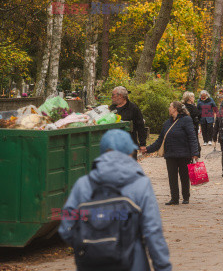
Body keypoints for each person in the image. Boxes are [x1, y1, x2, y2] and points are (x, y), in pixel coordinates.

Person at [58, 129, 172, 271]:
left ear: (102, 151)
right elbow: (153, 232)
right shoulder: (141, 184)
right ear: (130, 153)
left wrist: (89, 247)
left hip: (91, 264)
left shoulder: (83, 185)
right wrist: (163, 267)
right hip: (133, 264)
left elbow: (65, 228)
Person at [144, 101, 199, 205]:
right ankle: (174, 198)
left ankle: (186, 197)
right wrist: (147, 149)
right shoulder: (167, 123)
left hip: (184, 154)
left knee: (184, 176)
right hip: (170, 154)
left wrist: (195, 152)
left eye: (170, 106)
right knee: (172, 177)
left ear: (175, 109)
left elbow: (192, 137)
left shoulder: (186, 120)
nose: (169, 108)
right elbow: (160, 141)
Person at [110, 86, 147, 160]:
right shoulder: (111, 108)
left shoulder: (133, 108)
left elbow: (140, 127)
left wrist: (142, 144)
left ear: (120, 96)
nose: (111, 97)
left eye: (113, 95)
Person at [182, 91, 201, 155]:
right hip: (192, 127)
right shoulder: (192, 107)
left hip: (184, 127)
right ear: (190, 98)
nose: (194, 98)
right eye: (193, 97)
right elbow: (199, 115)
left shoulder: (182, 107)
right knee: (194, 144)